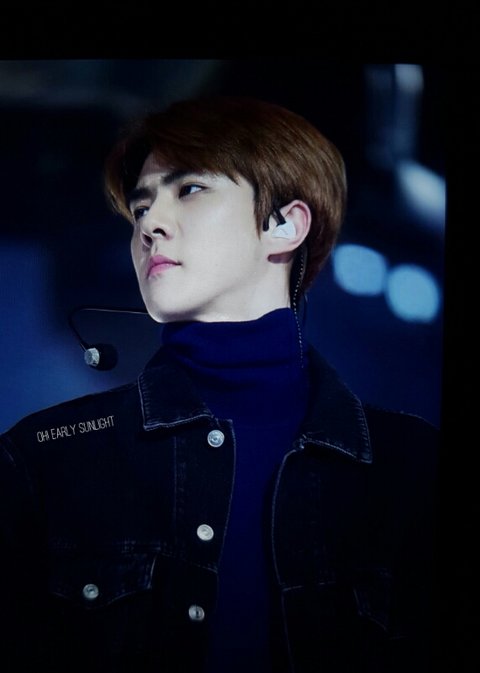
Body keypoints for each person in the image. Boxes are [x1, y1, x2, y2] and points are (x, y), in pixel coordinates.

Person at [0, 95, 439, 673]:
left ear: (284, 225)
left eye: (189, 189)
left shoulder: (416, 467)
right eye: (140, 207)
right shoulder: (42, 458)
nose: (149, 224)